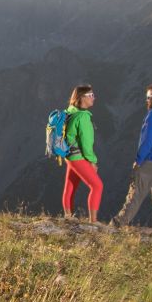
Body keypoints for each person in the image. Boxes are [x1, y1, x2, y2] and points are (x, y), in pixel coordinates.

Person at [112, 83, 152, 235]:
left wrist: (139, 160)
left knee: (136, 194)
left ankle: (117, 225)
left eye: (149, 98)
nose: (146, 101)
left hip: (151, 162)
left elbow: (147, 141)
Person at [61, 84, 103, 222]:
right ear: (81, 98)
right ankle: (93, 221)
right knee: (97, 186)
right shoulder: (83, 117)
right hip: (78, 157)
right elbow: (86, 143)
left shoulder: (70, 112)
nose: (94, 98)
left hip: (69, 155)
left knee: (70, 186)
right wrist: (92, 161)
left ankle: (68, 217)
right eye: (90, 95)